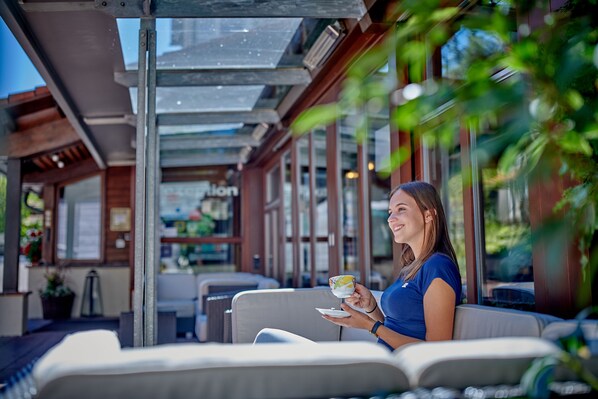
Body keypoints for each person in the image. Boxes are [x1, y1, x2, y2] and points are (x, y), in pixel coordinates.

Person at [322, 181, 462, 350]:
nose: (390, 219)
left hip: (406, 371)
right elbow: (394, 329)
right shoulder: (412, 267)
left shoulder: (438, 267)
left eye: (401, 209)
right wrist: (370, 305)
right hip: (388, 364)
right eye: (390, 212)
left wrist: (369, 325)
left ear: (428, 215)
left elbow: (436, 349)